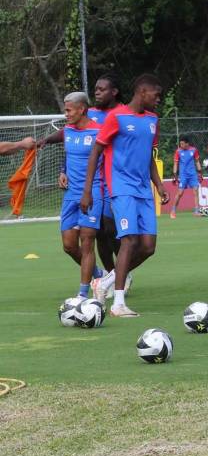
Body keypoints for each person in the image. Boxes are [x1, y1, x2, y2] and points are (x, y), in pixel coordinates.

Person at [81, 74, 170, 317]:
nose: (159, 99)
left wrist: (159, 185)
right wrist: (87, 191)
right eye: (156, 95)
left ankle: (107, 281)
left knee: (149, 247)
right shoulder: (116, 117)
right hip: (120, 188)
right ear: (142, 92)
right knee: (129, 240)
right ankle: (118, 303)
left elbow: (148, 156)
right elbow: (96, 152)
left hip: (143, 190)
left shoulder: (152, 119)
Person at [39, 74, 125, 281]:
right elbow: (68, 140)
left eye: (102, 89)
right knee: (80, 242)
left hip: (100, 187)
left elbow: (116, 153)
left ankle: (118, 275)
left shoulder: (119, 116)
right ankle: (107, 275)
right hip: (75, 191)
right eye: (96, 88)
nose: (97, 92)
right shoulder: (80, 122)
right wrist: (63, 169)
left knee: (106, 229)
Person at [57, 92, 106, 298]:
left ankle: (83, 296)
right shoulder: (68, 130)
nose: (66, 114)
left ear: (81, 109)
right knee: (69, 246)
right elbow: (68, 154)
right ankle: (99, 275)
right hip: (71, 194)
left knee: (87, 241)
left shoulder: (99, 132)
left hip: (92, 192)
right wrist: (63, 170)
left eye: (68, 110)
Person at [170, 136, 202, 218]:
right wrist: (175, 175)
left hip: (193, 175)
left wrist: (200, 173)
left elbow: (197, 162)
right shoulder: (178, 151)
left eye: (182, 143)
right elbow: (175, 164)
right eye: (180, 143)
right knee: (180, 193)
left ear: (187, 144)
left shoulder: (194, 150)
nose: (181, 145)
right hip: (183, 175)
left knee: (196, 191)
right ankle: (173, 210)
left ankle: (196, 211)